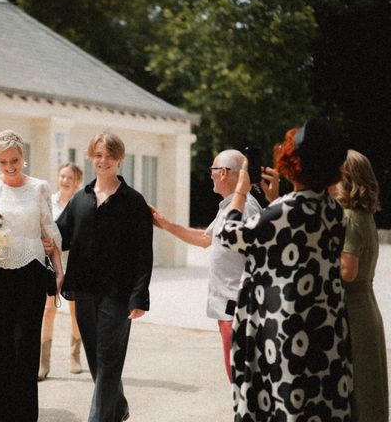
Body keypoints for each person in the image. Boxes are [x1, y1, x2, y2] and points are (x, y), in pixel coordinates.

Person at [217, 117, 352, 419]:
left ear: (295, 162)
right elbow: (295, 230)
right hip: (324, 329)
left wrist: (240, 191)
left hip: (285, 330)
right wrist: (274, 200)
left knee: (283, 405)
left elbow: (229, 234)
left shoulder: (285, 210)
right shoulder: (334, 211)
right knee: (319, 405)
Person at [150, 149, 272, 381]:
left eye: (212, 170)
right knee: (237, 379)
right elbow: (205, 239)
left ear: (224, 173)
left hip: (237, 310)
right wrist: (166, 225)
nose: (210, 176)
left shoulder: (245, 208)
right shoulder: (229, 206)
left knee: (242, 381)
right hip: (228, 310)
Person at [56, 133, 153, 422]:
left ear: (119, 159)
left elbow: (143, 253)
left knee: (109, 359)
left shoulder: (133, 201)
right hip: (84, 290)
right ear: (91, 157)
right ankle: (118, 406)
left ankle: (99, 418)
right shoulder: (80, 199)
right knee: (96, 357)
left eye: (109, 156)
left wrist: (139, 296)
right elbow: (58, 236)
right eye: (98, 155)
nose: (103, 161)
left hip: (118, 293)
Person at [0, 129, 63, 422]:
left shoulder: (39, 188)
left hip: (30, 275)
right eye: (4, 161)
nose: (10, 166)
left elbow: (50, 232)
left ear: (24, 157)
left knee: (25, 348)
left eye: (15, 160)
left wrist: (59, 272)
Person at [333, 149, 388, 421]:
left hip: (353, 310)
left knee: (357, 392)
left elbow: (347, 271)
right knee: (369, 389)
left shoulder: (350, 216)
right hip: (366, 306)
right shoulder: (364, 215)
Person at [39, 162, 84, 380]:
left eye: (69, 178)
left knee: (76, 312)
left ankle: (75, 355)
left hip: (74, 264)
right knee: (48, 310)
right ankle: (43, 363)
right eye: (62, 176)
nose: (65, 181)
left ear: (77, 182)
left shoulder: (80, 204)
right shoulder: (48, 203)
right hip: (50, 263)